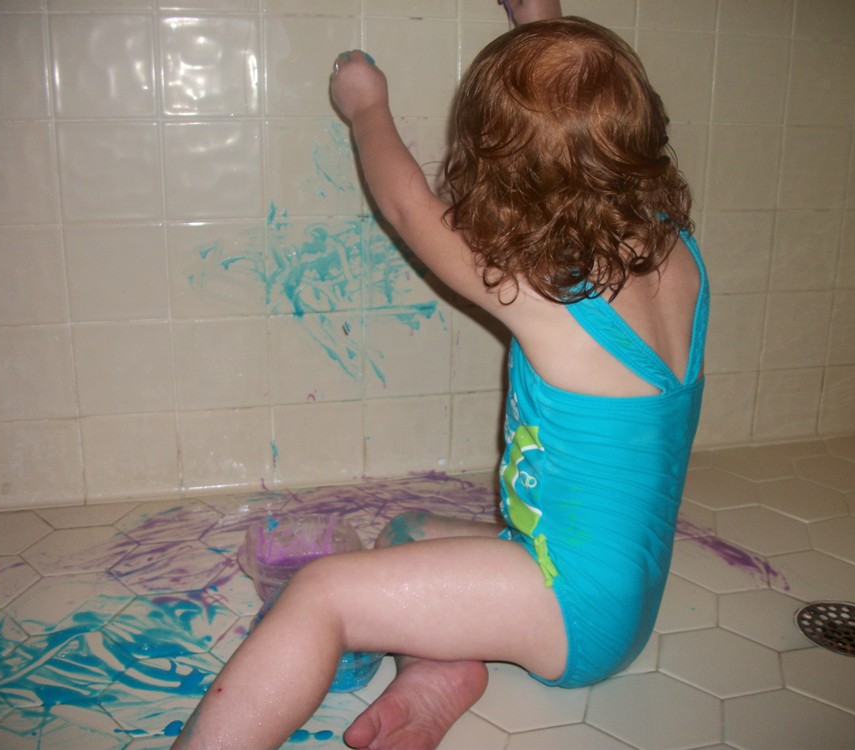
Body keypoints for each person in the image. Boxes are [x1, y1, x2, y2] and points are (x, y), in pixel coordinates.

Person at [172, 0, 708, 747]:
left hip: (566, 609)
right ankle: (440, 675)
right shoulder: (677, 254)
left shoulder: (539, 292)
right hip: (621, 593)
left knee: (321, 594)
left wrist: (366, 106)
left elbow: (406, 204)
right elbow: (573, 123)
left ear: (499, 173)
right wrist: (540, 17)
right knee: (406, 535)